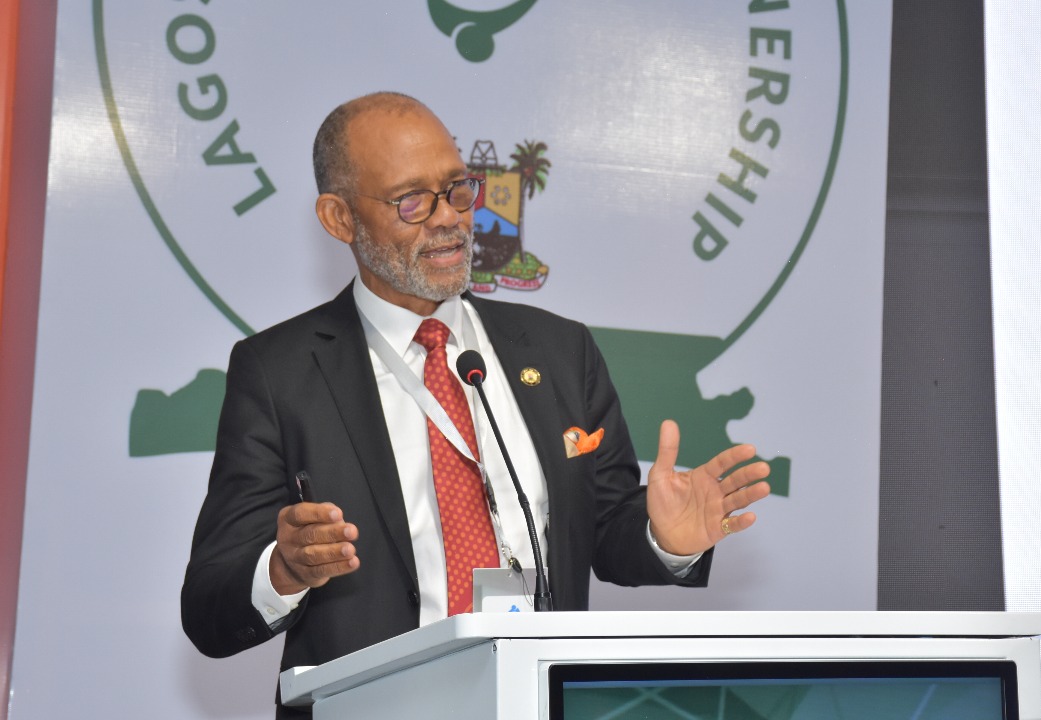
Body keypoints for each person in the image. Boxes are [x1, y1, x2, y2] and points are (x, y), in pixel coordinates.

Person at [180, 91, 771, 718]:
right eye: (412, 200)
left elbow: (605, 532)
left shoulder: (560, 350)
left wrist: (664, 539)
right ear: (340, 218)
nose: (449, 219)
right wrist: (284, 571)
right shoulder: (280, 371)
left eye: (457, 190)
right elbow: (210, 609)